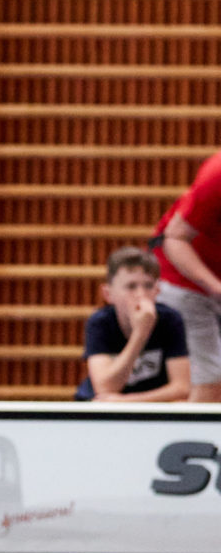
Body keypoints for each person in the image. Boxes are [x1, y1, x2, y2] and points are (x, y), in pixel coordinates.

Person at [150, 152, 221, 401]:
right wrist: (216, 288)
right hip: (185, 279)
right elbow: (175, 238)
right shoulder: (218, 175)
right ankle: (196, 439)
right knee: (212, 379)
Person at [75, 247, 189, 402]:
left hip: (148, 408)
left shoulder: (170, 320)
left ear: (157, 290)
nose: (141, 294)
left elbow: (182, 389)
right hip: (100, 409)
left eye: (148, 286)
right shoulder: (100, 322)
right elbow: (105, 388)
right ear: (108, 294)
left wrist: (126, 402)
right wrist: (140, 334)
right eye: (131, 286)